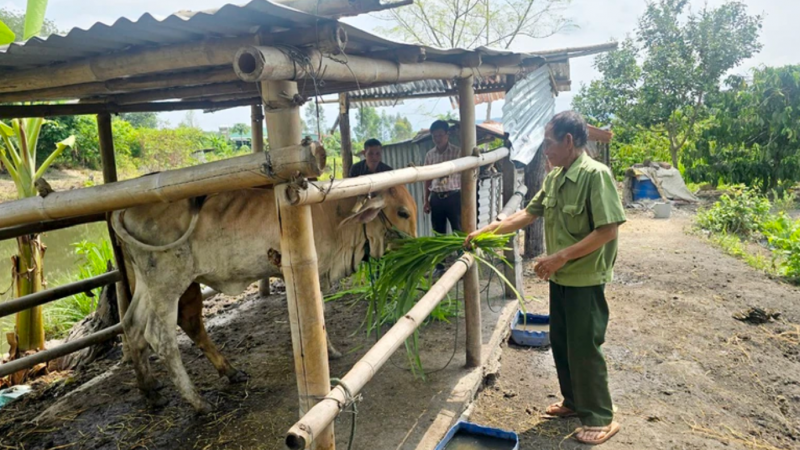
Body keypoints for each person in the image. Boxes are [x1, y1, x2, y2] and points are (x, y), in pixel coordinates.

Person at [465, 111, 625, 446]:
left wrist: (561, 255)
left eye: (549, 143)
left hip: (584, 276)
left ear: (569, 142)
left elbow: (608, 230)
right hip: (560, 276)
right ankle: (573, 402)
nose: (545, 150)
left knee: (584, 345)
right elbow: (526, 214)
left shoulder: (596, 175)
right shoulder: (554, 179)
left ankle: (600, 416)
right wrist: (485, 231)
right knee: (563, 340)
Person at [423, 120, 463, 276]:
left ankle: (462, 264)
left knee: (458, 231)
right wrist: (426, 200)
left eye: (440, 135)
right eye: (434, 136)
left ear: (447, 134)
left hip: (454, 196)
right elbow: (427, 179)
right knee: (438, 233)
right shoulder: (430, 155)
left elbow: (467, 176)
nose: (438, 139)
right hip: (436, 198)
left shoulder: (457, 152)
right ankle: (439, 267)